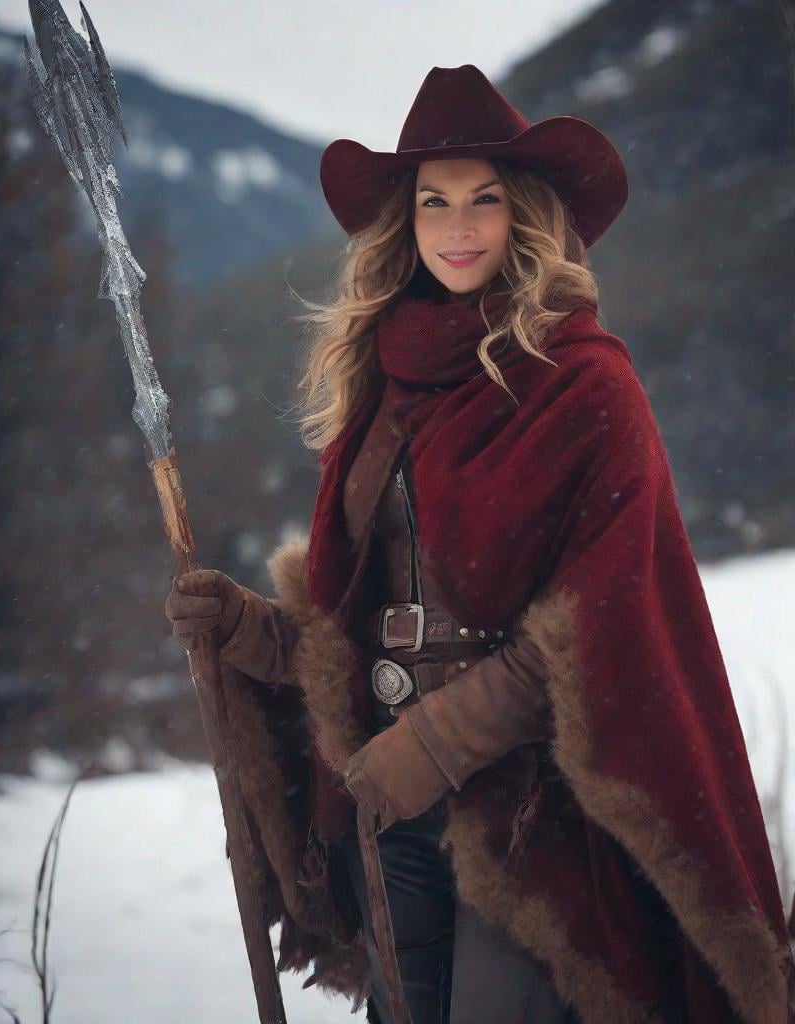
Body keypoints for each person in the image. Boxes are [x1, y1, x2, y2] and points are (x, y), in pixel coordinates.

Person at [165, 66, 794, 1024]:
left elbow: (599, 628)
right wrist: (246, 630)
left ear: (525, 215)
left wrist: (437, 740)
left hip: (533, 826)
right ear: (405, 225)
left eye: (484, 200)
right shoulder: (382, 392)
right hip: (385, 808)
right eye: (434, 202)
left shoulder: (585, 384)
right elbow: (359, 629)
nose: (457, 226)